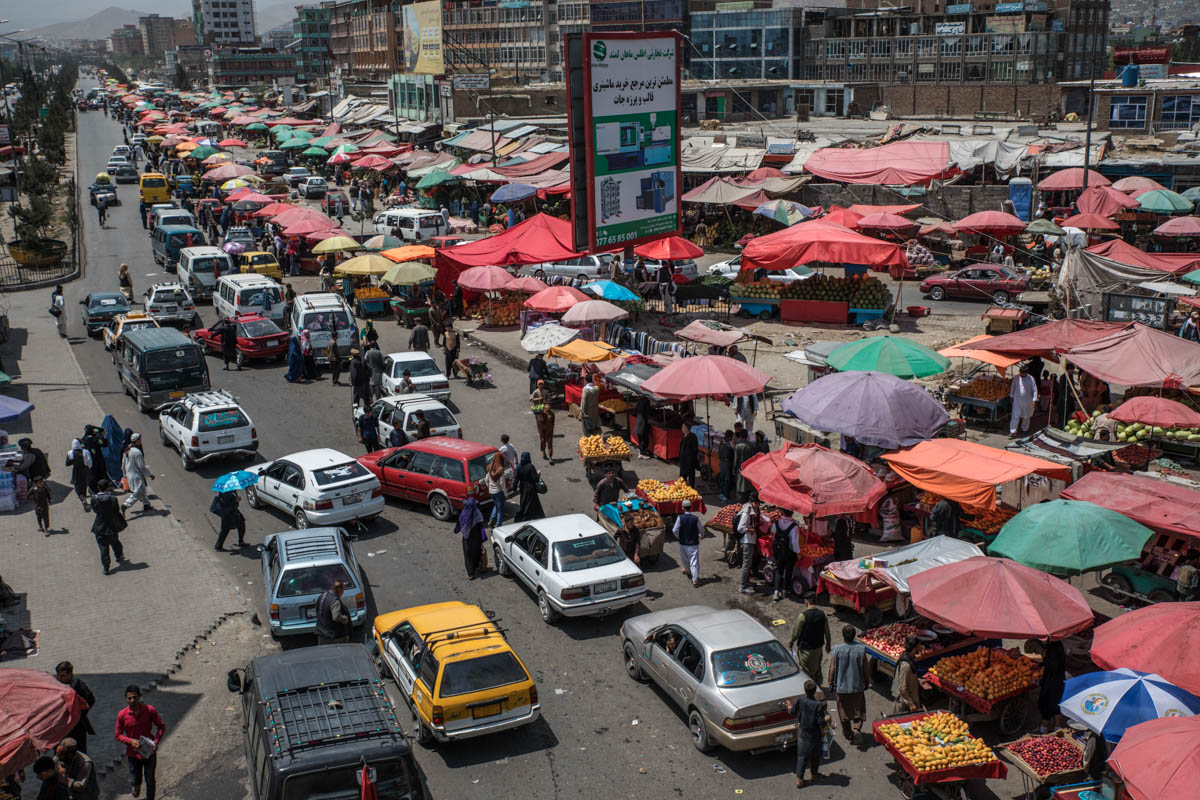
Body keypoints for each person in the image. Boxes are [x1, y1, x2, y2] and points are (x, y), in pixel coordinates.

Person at [114, 685, 165, 800]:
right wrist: (130, 741)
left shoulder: (150, 710)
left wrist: (156, 741)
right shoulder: (122, 715)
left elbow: (161, 726)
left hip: (149, 752)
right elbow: (118, 734)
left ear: (140, 697)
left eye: (135, 697)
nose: (132, 700)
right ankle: (136, 786)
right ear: (126, 699)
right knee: (136, 780)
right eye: (129, 698)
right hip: (133, 754)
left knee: (150, 780)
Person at [829, 624, 870, 744]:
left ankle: (848, 734)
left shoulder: (836, 650)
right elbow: (865, 670)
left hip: (841, 688)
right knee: (859, 710)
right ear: (854, 637)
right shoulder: (861, 650)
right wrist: (866, 683)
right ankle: (857, 729)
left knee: (843, 712)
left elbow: (832, 669)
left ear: (843, 636)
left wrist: (831, 684)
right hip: (857, 687)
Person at [785, 681, 828, 789]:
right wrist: (827, 729)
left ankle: (800, 779)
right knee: (815, 755)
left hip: (803, 732)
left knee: (802, 756)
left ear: (805, 690)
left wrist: (789, 706)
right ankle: (814, 774)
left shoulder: (800, 700)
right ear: (814, 691)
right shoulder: (817, 704)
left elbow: (791, 712)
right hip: (814, 733)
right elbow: (821, 722)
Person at [789, 592, 832, 684]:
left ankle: (810, 690)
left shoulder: (803, 616)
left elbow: (796, 632)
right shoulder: (822, 615)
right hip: (818, 648)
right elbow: (827, 632)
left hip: (805, 650)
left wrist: (791, 641)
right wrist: (828, 644)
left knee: (806, 671)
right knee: (817, 667)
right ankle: (818, 684)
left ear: (807, 601)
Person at [55, 663, 96, 756]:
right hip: (62, 725)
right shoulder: (58, 684)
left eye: (63, 676)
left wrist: (78, 713)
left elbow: (90, 699)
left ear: (70, 674)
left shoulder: (78, 685)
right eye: (59, 676)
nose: (60, 678)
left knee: (78, 750)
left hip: (77, 725)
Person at [91, 480, 127, 575]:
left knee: (103, 548)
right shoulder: (113, 499)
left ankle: (106, 568)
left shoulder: (94, 499)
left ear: (98, 488)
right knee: (115, 541)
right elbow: (116, 510)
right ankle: (119, 556)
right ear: (108, 487)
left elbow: (95, 510)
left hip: (99, 527)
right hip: (111, 526)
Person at [1037, 639, 1067, 733]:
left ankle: (1045, 728)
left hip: (1052, 681)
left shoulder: (1053, 648)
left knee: (1047, 704)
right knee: (1056, 704)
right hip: (1058, 680)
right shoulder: (1058, 646)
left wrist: (1044, 658)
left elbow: (1052, 666)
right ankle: (1056, 728)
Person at [770, 508, 800, 602]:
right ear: (792, 514)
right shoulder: (794, 526)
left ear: (782, 513)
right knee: (788, 571)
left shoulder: (777, 522)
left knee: (779, 570)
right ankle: (785, 590)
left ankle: (776, 591)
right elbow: (794, 543)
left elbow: (773, 533)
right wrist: (798, 553)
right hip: (789, 553)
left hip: (778, 551)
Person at [454, 497, 487, 579]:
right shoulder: (478, 514)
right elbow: (482, 527)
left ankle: (470, 573)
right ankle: (476, 567)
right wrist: (483, 539)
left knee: (468, 556)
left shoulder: (463, 514)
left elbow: (459, 525)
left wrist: (456, 530)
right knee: (476, 553)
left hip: (467, 539)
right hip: (477, 538)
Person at [121, 434, 154, 513]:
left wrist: (125, 474)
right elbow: (141, 466)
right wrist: (150, 475)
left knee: (143, 489)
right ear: (137, 440)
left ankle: (146, 505)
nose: (141, 441)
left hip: (130, 475)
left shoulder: (127, 450)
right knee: (138, 492)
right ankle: (125, 505)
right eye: (140, 439)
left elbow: (123, 464)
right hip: (136, 476)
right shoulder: (137, 452)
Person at [736, 494, 762, 593]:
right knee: (746, 564)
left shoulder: (750, 509)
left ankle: (746, 582)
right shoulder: (746, 512)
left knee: (748, 563)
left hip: (750, 539)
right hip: (747, 540)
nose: (758, 505)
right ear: (751, 502)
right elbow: (740, 528)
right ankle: (742, 586)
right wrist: (749, 529)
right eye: (757, 503)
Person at [674, 499, 702, 588]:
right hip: (693, 544)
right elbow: (701, 530)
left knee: (685, 559)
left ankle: (687, 570)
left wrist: (679, 537)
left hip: (683, 543)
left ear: (682, 508)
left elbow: (674, 530)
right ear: (691, 507)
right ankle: (694, 580)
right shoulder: (696, 518)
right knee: (694, 562)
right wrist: (701, 535)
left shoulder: (680, 518)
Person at [892, 637, 923, 714]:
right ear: (914, 649)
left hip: (909, 697)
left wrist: (918, 681)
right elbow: (902, 688)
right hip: (904, 702)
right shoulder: (906, 666)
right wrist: (911, 704)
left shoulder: (909, 658)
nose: (921, 647)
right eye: (919, 646)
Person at [315, 581, 351, 645]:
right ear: (339, 590)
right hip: (334, 637)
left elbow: (317, 609)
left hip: (322, 634)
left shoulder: (322, 596)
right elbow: (336, 617)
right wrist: (345, 619)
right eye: (343, 589)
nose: (343, 592)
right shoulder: (335, 601)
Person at [513, 452, 544, 522]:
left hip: (523, 488)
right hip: (531, 489)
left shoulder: (518, 467)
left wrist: (514, 488)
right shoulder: (531, 467)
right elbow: (535, 479)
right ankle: (528, 519)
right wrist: (538, 474)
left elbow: (516, 479)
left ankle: (524, 518)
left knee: (524, 504)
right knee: (532, 505)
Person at [1009, 365, 1038, 437]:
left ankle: (1024, 429)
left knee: (1026, 415)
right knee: (1015, 415)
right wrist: (1011, 397)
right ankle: (1013, 431)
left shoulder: (1031, 379)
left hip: (1027, 400)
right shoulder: (1016, 378)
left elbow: (1035, 390)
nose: (1021, 374)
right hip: (1017, 400)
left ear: (1026, 373)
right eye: (1020, 373)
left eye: (1023, 373)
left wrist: (1034, 400)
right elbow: (1013, 387)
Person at [66, 439, 92, 508]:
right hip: (84, 470)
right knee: (84, 485)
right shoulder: (85, 452)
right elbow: (89, 463)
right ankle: (84, 496)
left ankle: (82, 498)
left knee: (77, 485)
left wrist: (73, 460)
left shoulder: (70, 453)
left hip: (76, 471)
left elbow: (67, 464)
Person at [732, 430, 756, 502]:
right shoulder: (752, 445)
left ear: (740, 436)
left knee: (741, 489)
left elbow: (736, 460)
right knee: (749, 488)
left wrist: (734, 470)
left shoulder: (738, 446)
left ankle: (741, 503)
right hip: (750, 470)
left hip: (741, 470)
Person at [485, 452, 507, 527]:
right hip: (499, 492)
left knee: (496, 506)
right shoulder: (500, 470)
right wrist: (506, 494)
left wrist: (489, 487)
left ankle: (491, 520)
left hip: (491, 492)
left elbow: (487, 479)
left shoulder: (489, 467)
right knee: (500, 509)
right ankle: (498, 524)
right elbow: (502, 484)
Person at [678, 422, 699, 488]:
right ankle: (682, 488)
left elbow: (695, 450)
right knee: (682, 477)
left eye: (683, 427)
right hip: (683, 461)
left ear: (687, 428)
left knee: (691, 476)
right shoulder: (684, 436)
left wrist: (691, 458)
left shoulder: (692, 437)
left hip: (690, 462)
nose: (682, 429)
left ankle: (691, 489)